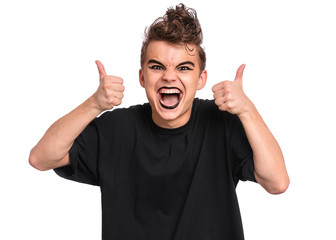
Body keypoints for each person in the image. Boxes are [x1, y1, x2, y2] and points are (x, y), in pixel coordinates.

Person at [29, 3, 289, 240]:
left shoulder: (222, 123)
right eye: (157, 67)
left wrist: (247, 110)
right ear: (142, 77)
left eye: (184, 68)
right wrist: (94, 104)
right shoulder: (116, 129)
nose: (169, 77)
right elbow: (41, 158)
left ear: (201, 79)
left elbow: (277, 182)